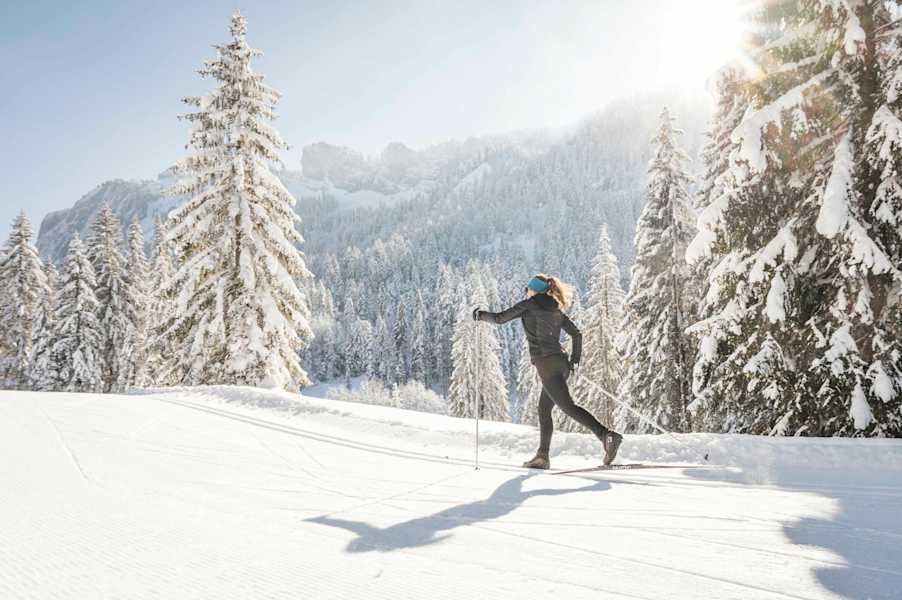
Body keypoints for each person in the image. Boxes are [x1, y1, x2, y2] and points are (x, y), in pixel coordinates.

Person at [473, 273, 623, 469]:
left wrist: (480, 315)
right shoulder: (555, 308)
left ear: (534, 290)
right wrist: (574, 361)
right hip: (561, 364)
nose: (526, 292)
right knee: (544, 410)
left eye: (527, 289)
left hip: (547, 365)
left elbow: (499, 318)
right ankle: (542, 456)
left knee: (568, 407)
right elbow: (576, 334)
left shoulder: (529, 305)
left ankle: (607, 435)